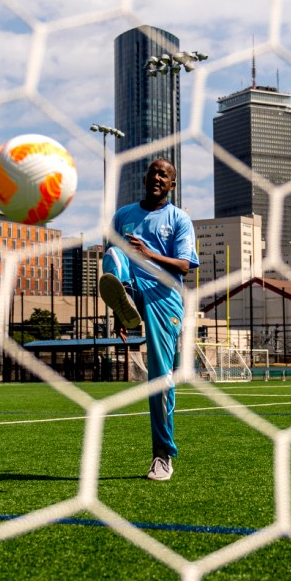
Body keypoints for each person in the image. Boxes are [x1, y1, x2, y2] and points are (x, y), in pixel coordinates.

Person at [99, 158, 198, 481]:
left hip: (163, 297)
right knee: (113, 253)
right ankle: (125, 301)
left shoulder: (179, 219)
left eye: (164, 174)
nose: (157, 176)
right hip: (131, 291)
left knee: (159, 379)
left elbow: (185, 265)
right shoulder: (123, 216)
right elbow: (112, 262)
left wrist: (149, 253)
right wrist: (119, 309)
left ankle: (162, 455)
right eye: (154, 171)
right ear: (145, 177)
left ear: (172, 185)